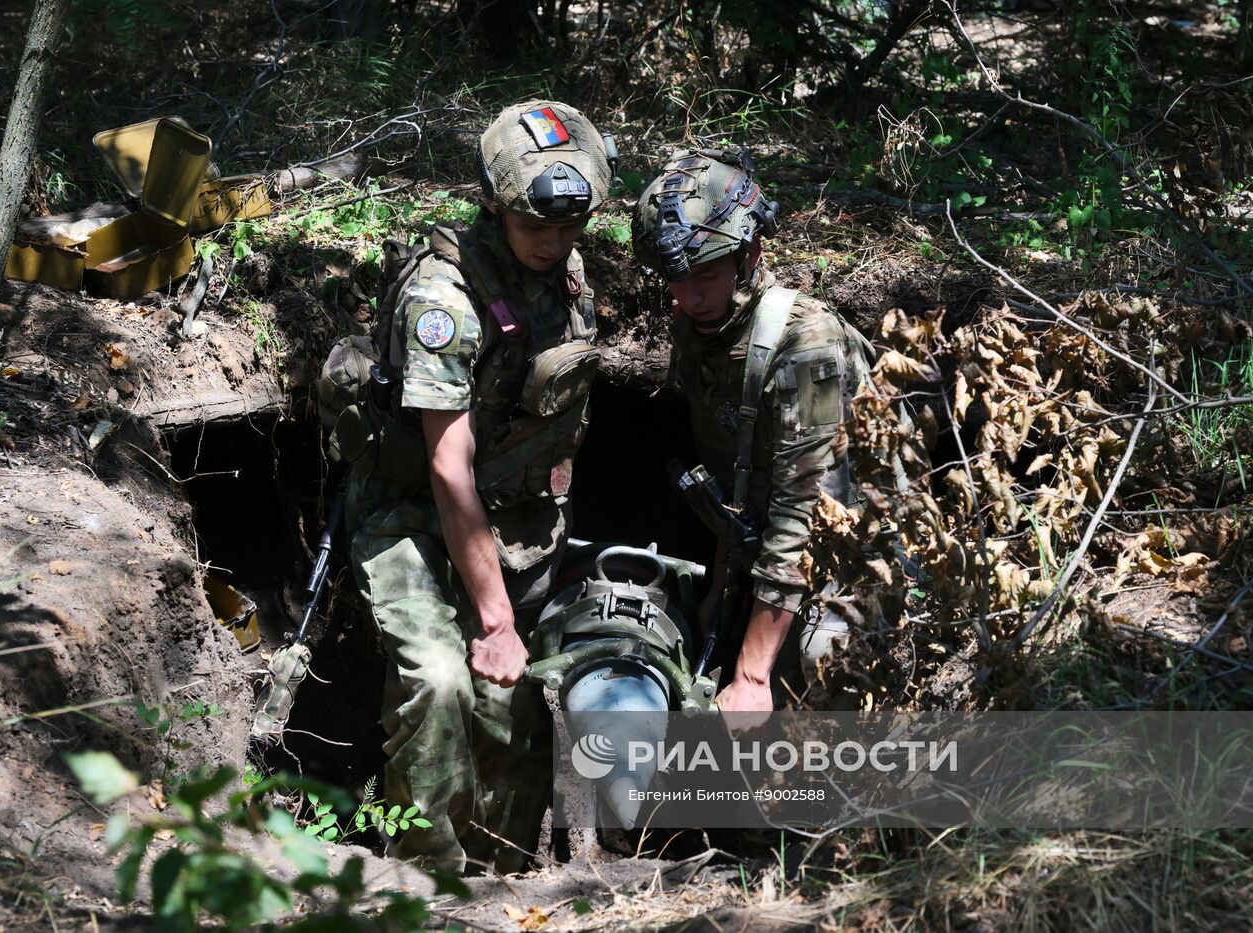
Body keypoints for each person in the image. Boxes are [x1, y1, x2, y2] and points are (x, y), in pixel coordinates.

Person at [343, 100, 613, 871]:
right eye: (538, 227)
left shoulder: (562, 272)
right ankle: (425, 877)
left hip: (511, 521)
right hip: (413, 522)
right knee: (438, 684)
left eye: (571, 228)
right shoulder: (445, 302)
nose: (558, 242)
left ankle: (499, 873)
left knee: (512, 703)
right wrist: (495, 618)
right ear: (494, 208)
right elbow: (445, 466)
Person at [631, 148, 875, 713]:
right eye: (677, 278)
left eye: (707, 274)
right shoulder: (699, 328)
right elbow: (731, 480)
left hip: (845, 551)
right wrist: (723, 587)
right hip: (759, 546)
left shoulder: (807, 346)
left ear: (750, 255)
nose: (689, 295)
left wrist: (754, 673)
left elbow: (804, 508)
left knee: (820, 660)